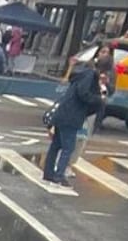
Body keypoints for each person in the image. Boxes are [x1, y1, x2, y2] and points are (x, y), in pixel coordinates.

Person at [43, 49, 107, 186]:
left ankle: (48, 173)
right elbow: (83, 93)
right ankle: (59, 175)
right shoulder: (89, 76)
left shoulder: (81, 74)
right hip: (72, 115)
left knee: (56, 145)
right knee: (68, 148)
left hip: (63, 112)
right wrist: (98, 99)